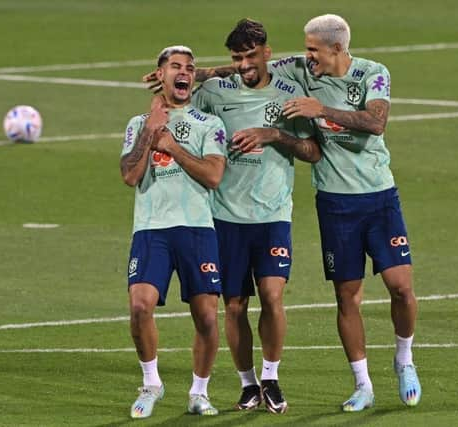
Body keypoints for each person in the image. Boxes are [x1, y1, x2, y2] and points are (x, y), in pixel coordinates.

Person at [271, 14, 422, 411]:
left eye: (312, 49)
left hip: (379, 197)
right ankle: (363, 385)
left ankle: (404, 358)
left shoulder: (373, 73)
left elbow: (375, 122)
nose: (306, 57)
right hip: (336, 203)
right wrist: (193, 73)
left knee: (401, 287)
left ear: (337, 48)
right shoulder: (303, 71)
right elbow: (250, 66)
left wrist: (321, 109)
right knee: (347, 297)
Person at [191, 19, 321, 413]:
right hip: (225, 215)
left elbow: (313, 151)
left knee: (272, 295)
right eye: (237, 58)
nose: (245, 64)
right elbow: (187, 127)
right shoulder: (213, 93)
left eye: (251, 55)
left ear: (267, 53)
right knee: (234, 304)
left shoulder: (289, 92)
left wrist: (275, 135)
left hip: (272, 213)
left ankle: (271, 376)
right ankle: (248, 384)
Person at [120, 45, 227, 418]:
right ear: (161, 75)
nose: (184, 72)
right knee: (139, 307)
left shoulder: (209, 124)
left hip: (197, 229)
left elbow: (214, 176)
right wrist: (150, 133)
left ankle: (199, 392)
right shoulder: (138, 123)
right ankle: (151, 383)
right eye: (176, 66)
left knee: (208, 318)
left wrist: (172, 146)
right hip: (151, 230)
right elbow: (131, 176)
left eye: (190, 68)